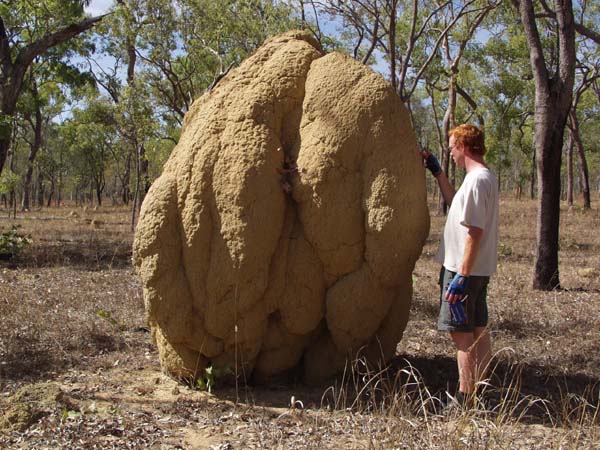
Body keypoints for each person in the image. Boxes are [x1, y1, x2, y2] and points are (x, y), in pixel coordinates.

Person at [422, 124, 499, 407]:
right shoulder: (478, 179)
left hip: (463, 271)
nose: (451, 152)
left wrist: (461, 277)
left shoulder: (478, 180)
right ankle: (484, 390)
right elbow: (456, 204)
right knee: (478, 329)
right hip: (474, 270)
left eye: (453, 147)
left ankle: (465, 400)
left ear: (464, 147)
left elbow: (475, 231)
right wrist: (437, 171)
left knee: (462, 336)